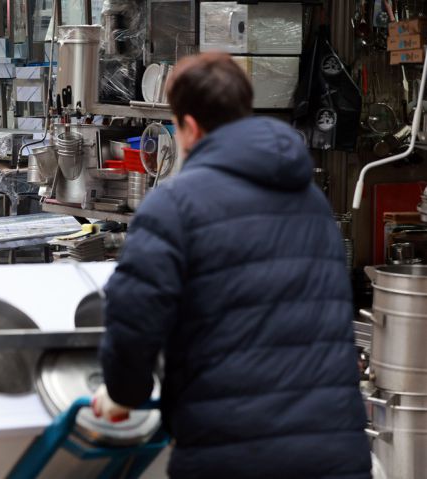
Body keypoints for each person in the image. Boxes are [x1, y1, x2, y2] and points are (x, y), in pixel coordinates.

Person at [92, 52, 372, 478]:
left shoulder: (173, 206)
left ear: (188, 128)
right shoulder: (311, 201)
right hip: (334, 451)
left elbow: (134, 318)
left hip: (233, 456)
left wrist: (123, 394)